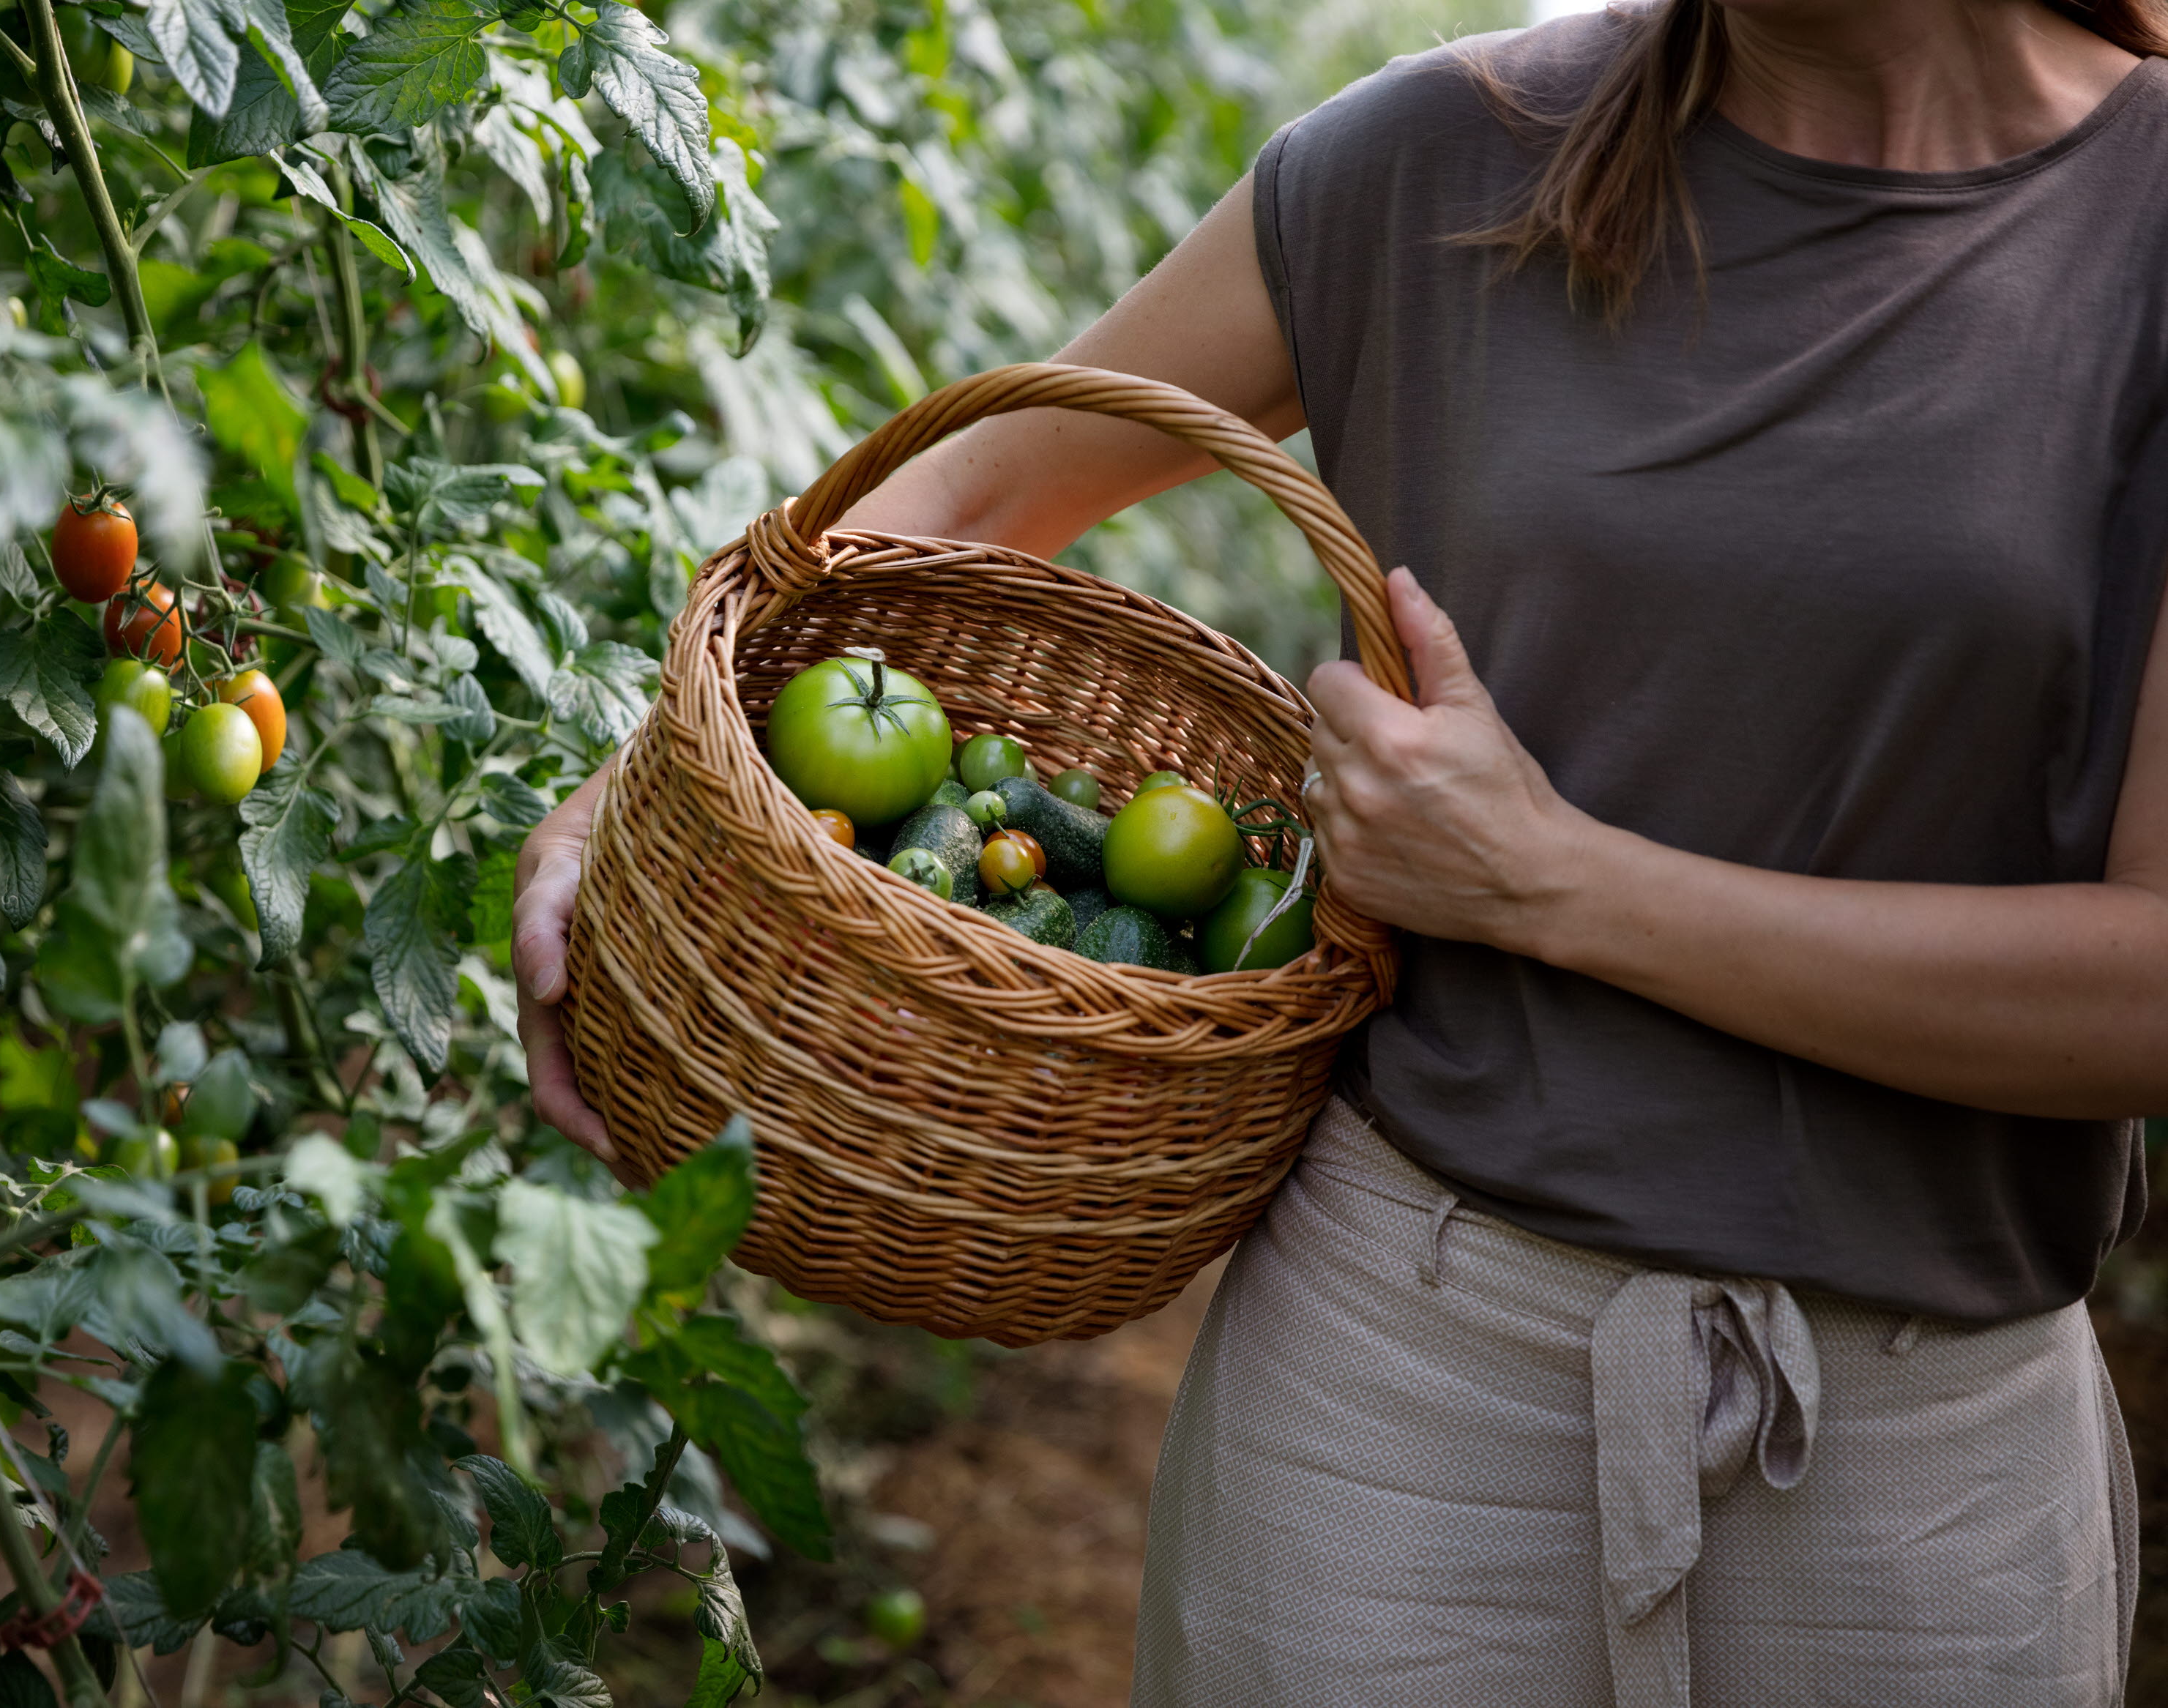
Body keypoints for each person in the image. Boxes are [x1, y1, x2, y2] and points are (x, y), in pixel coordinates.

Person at [515, 0, 2168, 1700]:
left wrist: (1554, 882)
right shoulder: (1436, 160)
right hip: (1399, 1392)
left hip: (1912, 1467)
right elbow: (949, 507)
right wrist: (631, 803)